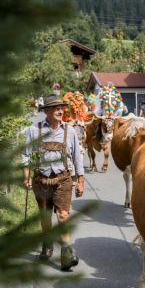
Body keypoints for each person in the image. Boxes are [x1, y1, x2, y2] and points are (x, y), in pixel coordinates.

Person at [22, 94, 85, 271]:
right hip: (41, 180)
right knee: (45, 216)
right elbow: (25, 156)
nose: (60, 110)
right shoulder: (34, 130)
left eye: (62, 108)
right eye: (56, 108)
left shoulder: (69, 130)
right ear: (47, 111)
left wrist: (80, 181)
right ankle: (47, 243)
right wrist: (25, 177)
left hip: (63, 179)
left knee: (63, 215)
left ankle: (66, 254)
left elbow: (77, 158)